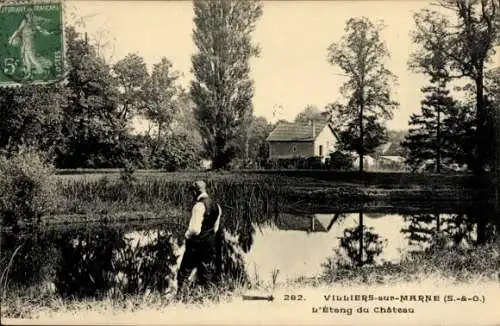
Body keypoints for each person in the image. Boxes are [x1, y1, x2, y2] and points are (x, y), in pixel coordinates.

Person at [176, 180, 223, 297]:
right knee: (206, 271)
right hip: (209, 244)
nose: (191, 194)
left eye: (192, 191)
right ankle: (207, 296)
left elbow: (195, 230)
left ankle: (180, 297)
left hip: (195, 246)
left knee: (184, 271)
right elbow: (215, 228)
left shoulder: (198, 206)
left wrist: (186, 235)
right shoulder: (217, 206)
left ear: (196, 191)